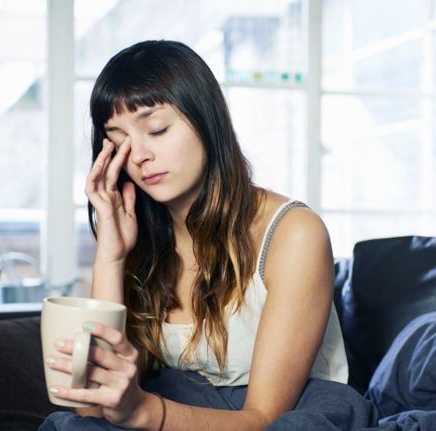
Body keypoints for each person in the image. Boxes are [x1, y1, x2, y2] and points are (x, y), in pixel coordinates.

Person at [39, 40, 358, 431]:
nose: (137, 156)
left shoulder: (294, 234)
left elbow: (264, 419)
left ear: (206, 119)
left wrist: (145, 412)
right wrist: (112, 256)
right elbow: (92, 407)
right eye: (119, 141)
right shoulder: (144, 239)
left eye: (156, 130)